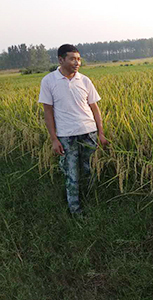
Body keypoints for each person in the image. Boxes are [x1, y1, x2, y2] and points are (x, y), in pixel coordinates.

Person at [38, 44, 108, 215]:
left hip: (88, 132)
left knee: (89, 169)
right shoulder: (48, 81)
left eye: (78, 59)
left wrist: (101, 133)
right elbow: (48, 112)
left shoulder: (84, 80)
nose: (77, 62)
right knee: (71, 173)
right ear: (61, 60)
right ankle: (75, 210)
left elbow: (94, 107)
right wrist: (54, 139)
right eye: (72, 59)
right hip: (66, 135)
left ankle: (92, 201)